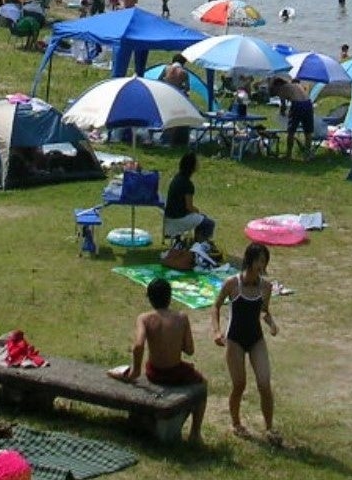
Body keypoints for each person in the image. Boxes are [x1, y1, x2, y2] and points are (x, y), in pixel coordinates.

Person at [112, 277, 206, 443]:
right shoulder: (181, 317)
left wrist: (135, 371)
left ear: (150, 298)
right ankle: (195, 432)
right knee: (202, 385)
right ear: (170, 297)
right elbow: (190, 350)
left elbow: (138, 345)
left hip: (154, 373)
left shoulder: (145, 318)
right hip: (176, 373)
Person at [212, 242, 280, 444]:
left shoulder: (266, 287)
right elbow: (215, 307)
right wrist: (217, 331)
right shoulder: (232, 283)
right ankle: (236, 423)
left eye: (264, 262)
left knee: (264, 384)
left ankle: (269, 428)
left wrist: (272, 324)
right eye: (259, 261)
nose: (262, 265)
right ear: (249, 260)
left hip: (256, 338)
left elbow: (264, 311)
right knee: (239, 384)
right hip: (235, 340)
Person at [164, 152, 214, 242]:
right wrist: (197, 211)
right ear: (192, 166)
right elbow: (189, 207)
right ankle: (201, 245)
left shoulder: (177, 177)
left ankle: (197, 242)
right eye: (197, 162)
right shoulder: (187, 184)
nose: (199, 164)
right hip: (179, 218)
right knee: (209, 223)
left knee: (202, 218)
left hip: (171, 216)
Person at [269, 76, 315, 159]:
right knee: (308, 132)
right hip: (308, 104)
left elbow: (283, 106)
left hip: (297, 105)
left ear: (277, 85)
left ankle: (288, 154)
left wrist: (282, 113)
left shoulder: (282, 88)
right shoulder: (296, 85)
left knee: (291, 131)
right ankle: (307, 154)